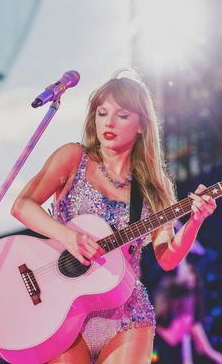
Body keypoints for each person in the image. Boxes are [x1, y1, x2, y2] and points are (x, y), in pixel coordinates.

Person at [11, 71, 217, 364]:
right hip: (64, 309)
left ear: (142, 126)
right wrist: (69, 237)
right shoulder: (73, 158)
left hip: (128, 313)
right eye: (102, 112)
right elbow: (22, 206)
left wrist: (195, 220)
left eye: (121, 115)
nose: (108, 122)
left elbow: (167, 258)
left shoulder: (154, 188)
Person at [154, 260, 222, 363]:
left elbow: (205, 350)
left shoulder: (191, 320)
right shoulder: (167, 301)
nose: (187, 275)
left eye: (190, 271)